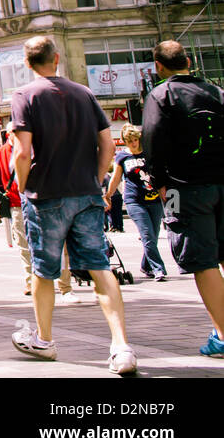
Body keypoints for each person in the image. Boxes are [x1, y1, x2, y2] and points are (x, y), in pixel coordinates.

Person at [8, 36, 136, 375]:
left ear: (27, 63)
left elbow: (22, 152)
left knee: (44, 270)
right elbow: (107, 143)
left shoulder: (24, 96)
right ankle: (121, 347)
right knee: (99, 267)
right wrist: (96, 179)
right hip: (86, 193)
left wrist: (22, 186)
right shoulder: (85, 93)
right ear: (57, 58)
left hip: (46, 196)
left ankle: (45, 340)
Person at [139, 39, 224, 358]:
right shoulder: (216, 91)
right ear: (189, 61)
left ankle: (223, 334)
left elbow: (153, 140)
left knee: (201, 259)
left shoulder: (160, 94)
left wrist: (159, 183)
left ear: (158, 67)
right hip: (222, 182)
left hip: (180, 188)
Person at [105, 123, 167, 282]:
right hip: (134, 201)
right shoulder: (122, 157)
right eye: (130, 140)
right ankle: (158, 269)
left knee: (153, 235)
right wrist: (108, 195)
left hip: (154, 200)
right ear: (125, 141)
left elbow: (159, 173)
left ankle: (146, 266)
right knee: (147, 235)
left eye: (135, 140)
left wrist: (165, 194)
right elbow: (116, 177)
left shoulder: (148, 153)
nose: (134, 143)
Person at [0, 128, 32, 295]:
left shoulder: (32, 146)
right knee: (23, 243)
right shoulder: (0, 153)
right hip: (16, 203)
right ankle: (30, 281)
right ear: (9, 134)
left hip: (38, 201)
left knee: (41, 242)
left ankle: (46, 277)